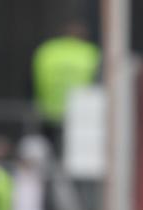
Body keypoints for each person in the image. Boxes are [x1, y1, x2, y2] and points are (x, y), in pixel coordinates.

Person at [31, 20, 100, 155]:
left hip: (49, 110)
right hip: (80, 114)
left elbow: (32, 78)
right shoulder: (91, 53)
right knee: (76, 155)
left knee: (48, 152)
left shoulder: (47, 50)